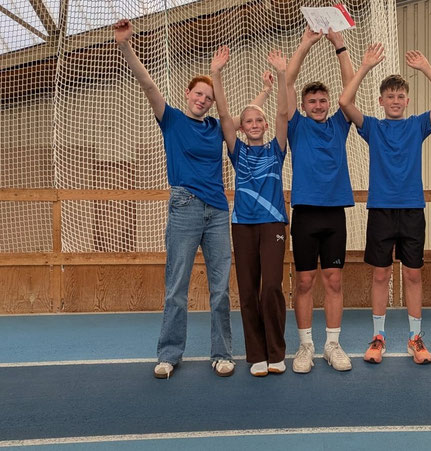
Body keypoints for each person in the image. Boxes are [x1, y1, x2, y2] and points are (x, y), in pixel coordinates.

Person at [113, 19, 258, 379]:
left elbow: (244, 117)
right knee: (177, 287)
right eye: (198, 94)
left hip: (217, 211)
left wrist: (265, 92)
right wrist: (125, 45)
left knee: (220, 289)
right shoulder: (172, 120)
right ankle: (169, 354)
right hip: (184, 208)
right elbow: (148, 84)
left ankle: (222, 353)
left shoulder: (217, 127)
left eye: (208, 97)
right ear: (187, 93)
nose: (202, 100)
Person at [339, 44, 431, 365]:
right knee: (381, 275)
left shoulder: (416, 125)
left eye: (400, 96)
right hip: (381, 210)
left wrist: (426, 67)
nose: (395, 100)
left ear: (407, 101)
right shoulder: (373, 127)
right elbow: (345, 102)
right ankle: (378, 337)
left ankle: (415, 338)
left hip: (412, 211)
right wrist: (364, 66)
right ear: (381, 101)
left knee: (413, 276)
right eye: (389, 96)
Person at [210, 46, 289, 376]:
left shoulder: (276, 149)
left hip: (273, 224)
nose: (254, 124)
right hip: (242, 225)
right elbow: (224, 114)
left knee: (270, 287)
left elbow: (283, 113)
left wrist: (282, 75)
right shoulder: (237, 151)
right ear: (242, 128)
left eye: (259, 120)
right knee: (247, 290)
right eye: (248, 121)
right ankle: (256, 354)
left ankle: (276, 351)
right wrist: (216, 74)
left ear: (265, 124)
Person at [286, 27, 356, 373]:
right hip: (305, 215)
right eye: (312, 101)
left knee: (333, 280)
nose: (317, 105)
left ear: (329, 104)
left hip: (333, 215)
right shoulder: (296, 126)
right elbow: (287, 83)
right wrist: (305, 44)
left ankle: (332, 344)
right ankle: (305, 346)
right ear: (303, 106)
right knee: (304, 281)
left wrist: (339, 45)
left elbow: (350, 87)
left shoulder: (339, 124)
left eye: (322, 101)